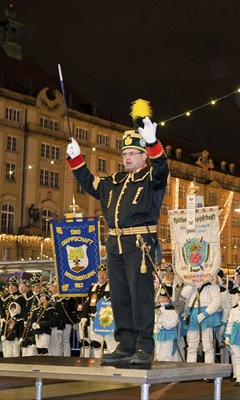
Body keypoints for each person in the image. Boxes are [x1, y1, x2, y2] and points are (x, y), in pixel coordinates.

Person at [67, 102, 169, 366]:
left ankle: (144, 346)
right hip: (114, 243)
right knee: (121, 296)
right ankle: (126, 344)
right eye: (125, 153)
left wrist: (154, 143)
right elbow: (89, 183)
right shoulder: (112, 182)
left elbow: (162, 171)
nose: (127, 157)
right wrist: (77, 160)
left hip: (139, 243)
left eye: (134, 153)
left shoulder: (150, 179)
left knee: (140, 297)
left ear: (144, 156)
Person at [153, 286, 179, 361]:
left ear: (169, 299)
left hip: (168, 334)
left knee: (167, 354)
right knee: (158, 353)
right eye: (160, 297)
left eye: (164, 298)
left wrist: (164, 325)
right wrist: (155, 326)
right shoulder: (156, 309)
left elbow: (174, 322)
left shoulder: (172, 310)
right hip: (157, 334)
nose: (162, 299)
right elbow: (154, 320)